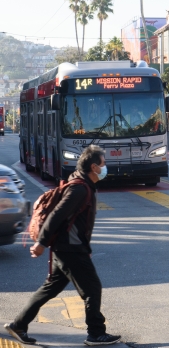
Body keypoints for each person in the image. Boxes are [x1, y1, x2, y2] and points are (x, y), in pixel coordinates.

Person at [4, 145, 121, 346]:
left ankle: (18, 325)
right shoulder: (79, 189)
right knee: (92, 288)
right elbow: (58, 215)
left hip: (69, 247)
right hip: (70, 249)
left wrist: (87, 249)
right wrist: (41, 243)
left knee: (50, 289)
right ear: (94, 167)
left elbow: (78, 223)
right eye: (103, 163)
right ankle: (95, 333)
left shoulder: (84, 185)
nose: (105, 167)